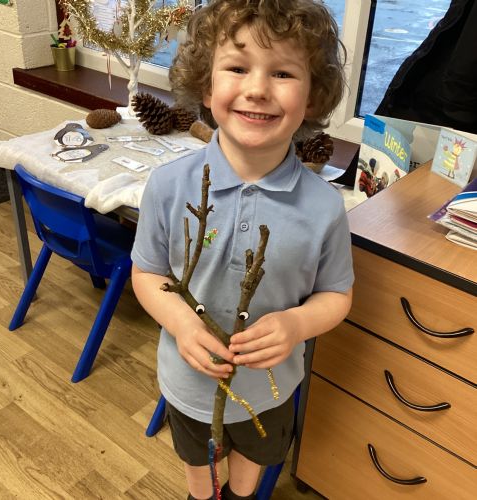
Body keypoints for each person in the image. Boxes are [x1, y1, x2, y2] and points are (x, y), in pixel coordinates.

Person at [131, 1, 354, 499]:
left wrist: (296, 324)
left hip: (269, 391)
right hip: (190, 384)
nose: (257, 88)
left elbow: (336, 295)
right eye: (237, 67)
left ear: (313, 97)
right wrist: (183, 324)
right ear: (206, 86)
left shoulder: (324, 208)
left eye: (282, 73)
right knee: (201, 477)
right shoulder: (169, 186)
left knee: (249, 475)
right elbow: (147, 274)